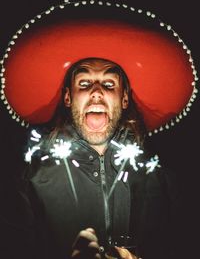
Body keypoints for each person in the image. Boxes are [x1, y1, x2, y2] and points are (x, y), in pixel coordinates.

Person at [7, 57, 182, 259]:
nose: (97, 92)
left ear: (124, 98)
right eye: (84, 83)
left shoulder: (162, 178)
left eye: (109, 84)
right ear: (67, 97)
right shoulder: (28, 177)